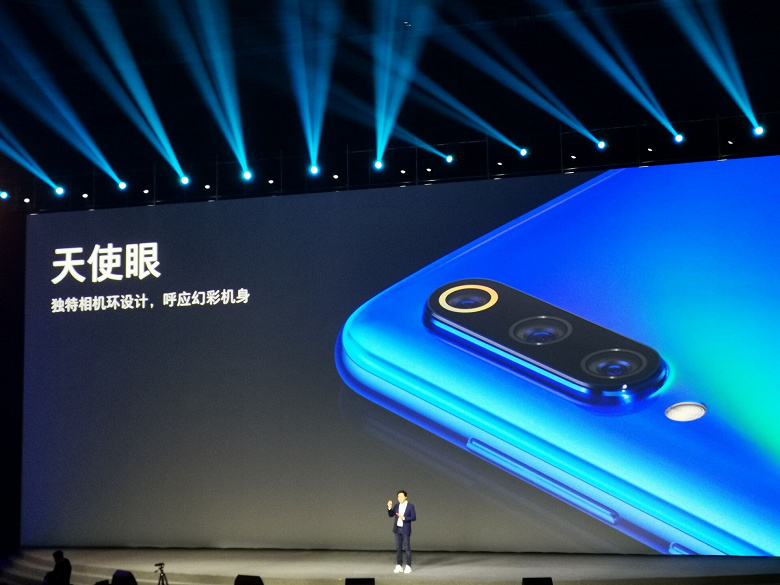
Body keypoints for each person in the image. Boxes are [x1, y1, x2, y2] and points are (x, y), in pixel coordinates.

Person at [387, 490, 416, 573]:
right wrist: (389, 507)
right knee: (398, 548)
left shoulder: (410, 506)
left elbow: (413, 517)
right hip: (397, 529)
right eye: (398, 496)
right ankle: (399, 565)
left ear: (405, 497)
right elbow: (391, 514)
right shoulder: (396, 505)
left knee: (407, 548)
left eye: (401, 496)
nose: (400, 498)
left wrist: (404, 518)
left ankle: (408, 566)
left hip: (405, 529)